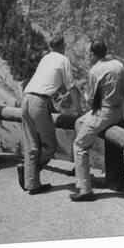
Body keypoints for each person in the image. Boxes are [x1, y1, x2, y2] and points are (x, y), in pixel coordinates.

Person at [18, 34, 81, 195]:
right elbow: (71, 87)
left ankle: (32, 182)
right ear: (62, 46)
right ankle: (29, 172)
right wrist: (79, 111)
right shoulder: (63, 60)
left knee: (32, 144)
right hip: (39, 102)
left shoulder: (45, 58)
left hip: (25, 99)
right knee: (50, 145)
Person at [70, 37, 124, 202]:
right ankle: (84, 165)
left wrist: (83, 92)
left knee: (79, 145)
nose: (87, 56)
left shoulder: (95, 71)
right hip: (118, 110)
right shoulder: (118, 65)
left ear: (93, 54)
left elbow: (90, 100)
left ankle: (84, 189)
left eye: (88, 53)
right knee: (79, 123)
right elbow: (123, 89)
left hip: (103, 112)